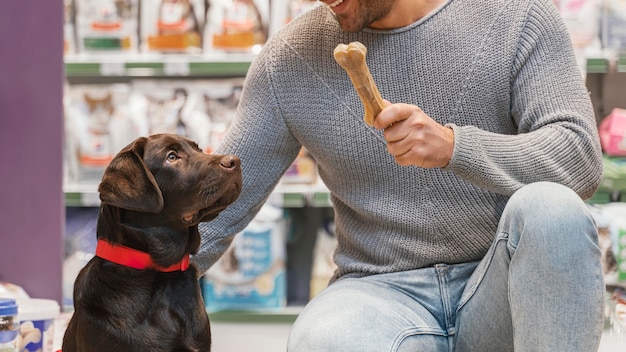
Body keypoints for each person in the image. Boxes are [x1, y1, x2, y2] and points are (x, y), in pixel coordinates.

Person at [194, 0, 606, 350]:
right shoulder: (289, 59)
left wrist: (454, 148)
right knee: (323, 341)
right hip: (377, 292)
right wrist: (131, 281)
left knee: (554, 211)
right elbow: (213, 208)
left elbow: (580, 159)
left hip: (501, 281)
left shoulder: (517, 16)